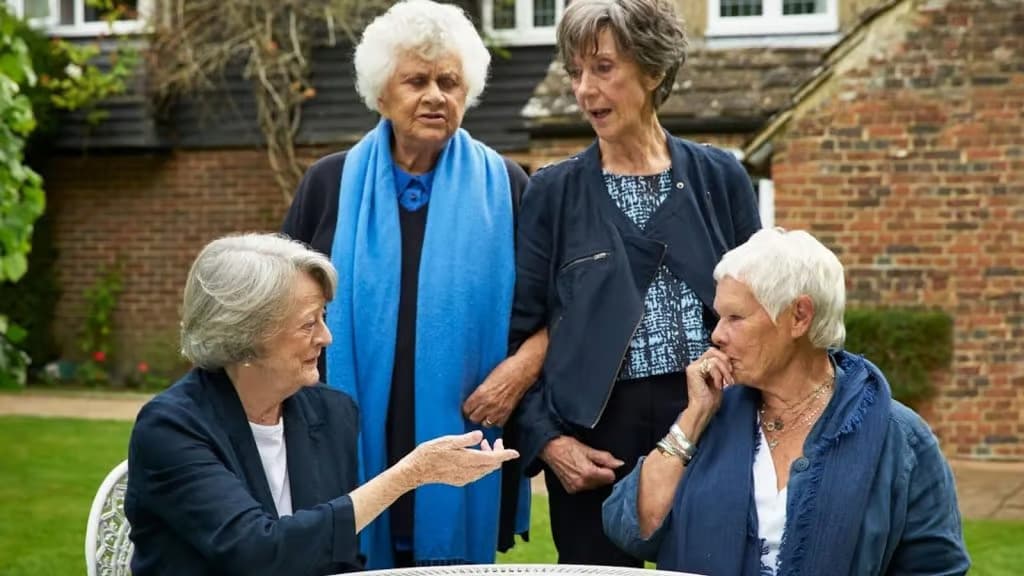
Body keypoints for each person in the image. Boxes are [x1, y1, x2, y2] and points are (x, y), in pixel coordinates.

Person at [281, 0, 545, 567]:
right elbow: (280, 309)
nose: (435, 95)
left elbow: (552, 310)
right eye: (416, 80)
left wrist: (519, 371)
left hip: (465, 423)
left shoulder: (507, 185)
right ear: (382, 94)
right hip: (346, 431)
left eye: (449, 81)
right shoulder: (327, 184)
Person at [510, 0, 760, 566]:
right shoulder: (552, 192)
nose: (584, 89)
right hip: (593, 441)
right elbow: (518, 336)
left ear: (652, 69)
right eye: (575, 73)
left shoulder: (721, 177)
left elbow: (759, 317)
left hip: (708, 422)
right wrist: (551, 442)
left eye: (603, 68)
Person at [125, 234, 518, 576]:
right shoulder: (171, 428)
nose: (327, 337)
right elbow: (257, 554)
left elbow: (336, 559)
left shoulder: (331, 413)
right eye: (308, 323)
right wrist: (408, 475)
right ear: (243, 336)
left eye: (323, 318)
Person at [602, 228, 970, 575]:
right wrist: (694, 416)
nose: (716, 335)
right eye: (719, 317)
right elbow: (633, 527)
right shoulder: (711, 415)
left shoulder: (900, 438)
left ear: (799, 317)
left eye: (735, 317)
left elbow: (935, 567)